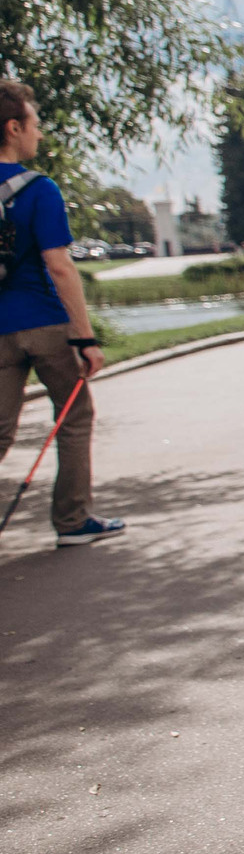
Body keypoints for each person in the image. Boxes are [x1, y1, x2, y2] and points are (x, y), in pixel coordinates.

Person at [0, 80, 121, 547]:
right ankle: (72, 521)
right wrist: (85, 338)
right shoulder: (39, 190)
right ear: (14, 128)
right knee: (73, 416)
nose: (39, 134)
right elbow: (59, 266)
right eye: (34, 124)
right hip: (47, 324)